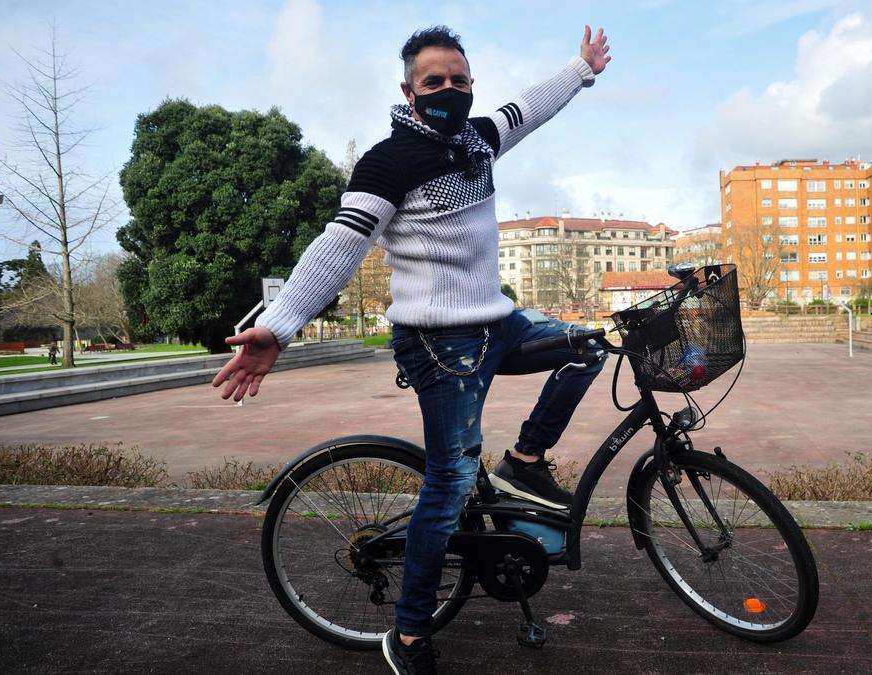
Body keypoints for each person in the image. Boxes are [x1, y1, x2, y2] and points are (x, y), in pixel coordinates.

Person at [212, 24, 611, 674]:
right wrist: (279, 324)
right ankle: (410, 632)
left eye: (459, 79)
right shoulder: (389, 162)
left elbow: (531, 108)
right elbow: (338, 246)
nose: (449, 90)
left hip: (496, 321)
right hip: (437, 341)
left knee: (588, 347)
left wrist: (580, 68)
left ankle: (527, 458)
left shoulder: (480, 138)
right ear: (409, 90)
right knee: (450, 483)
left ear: (470, 83)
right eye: (435, 82)